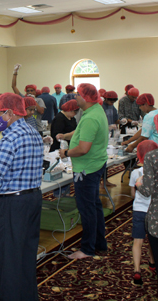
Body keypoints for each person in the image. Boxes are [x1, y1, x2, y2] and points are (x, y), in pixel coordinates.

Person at [0, 92, 43, 300]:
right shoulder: (32, 132)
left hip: (12, 204)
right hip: (32, 199)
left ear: (9, 113)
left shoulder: (11, 138)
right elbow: (17, 166)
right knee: (25, 253)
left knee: (9, 257)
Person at [59, 83, 109, 260]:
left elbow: (83, 148)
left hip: (87, 168)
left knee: (87, 209)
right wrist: (65, 136)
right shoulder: (95, 110)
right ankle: (99, 243)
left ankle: (87, 249)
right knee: (94, 206)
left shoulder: (89, 117)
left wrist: (65, 152)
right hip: (95, 164)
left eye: (78, 95)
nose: (75, 98)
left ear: (85, 98)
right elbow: (81, 133)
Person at [129, 141, 158, 285]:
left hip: (139, 210)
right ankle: (153, 263)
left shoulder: (135, 173)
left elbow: (133, 194)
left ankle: (137, 270)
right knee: (153, 240)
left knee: (137, 241)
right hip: (153, 212)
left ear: (138, 156)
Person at [11, 64, 46, 130]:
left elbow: (41, 111)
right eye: (28, 91)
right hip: (26, 126)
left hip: (37, 127)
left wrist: (33, 101)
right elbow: (14, 87)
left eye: (31, 91)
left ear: (35, 92)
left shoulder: (39, 100)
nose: (29, 92)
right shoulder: (23, 99)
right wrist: (15, 73)